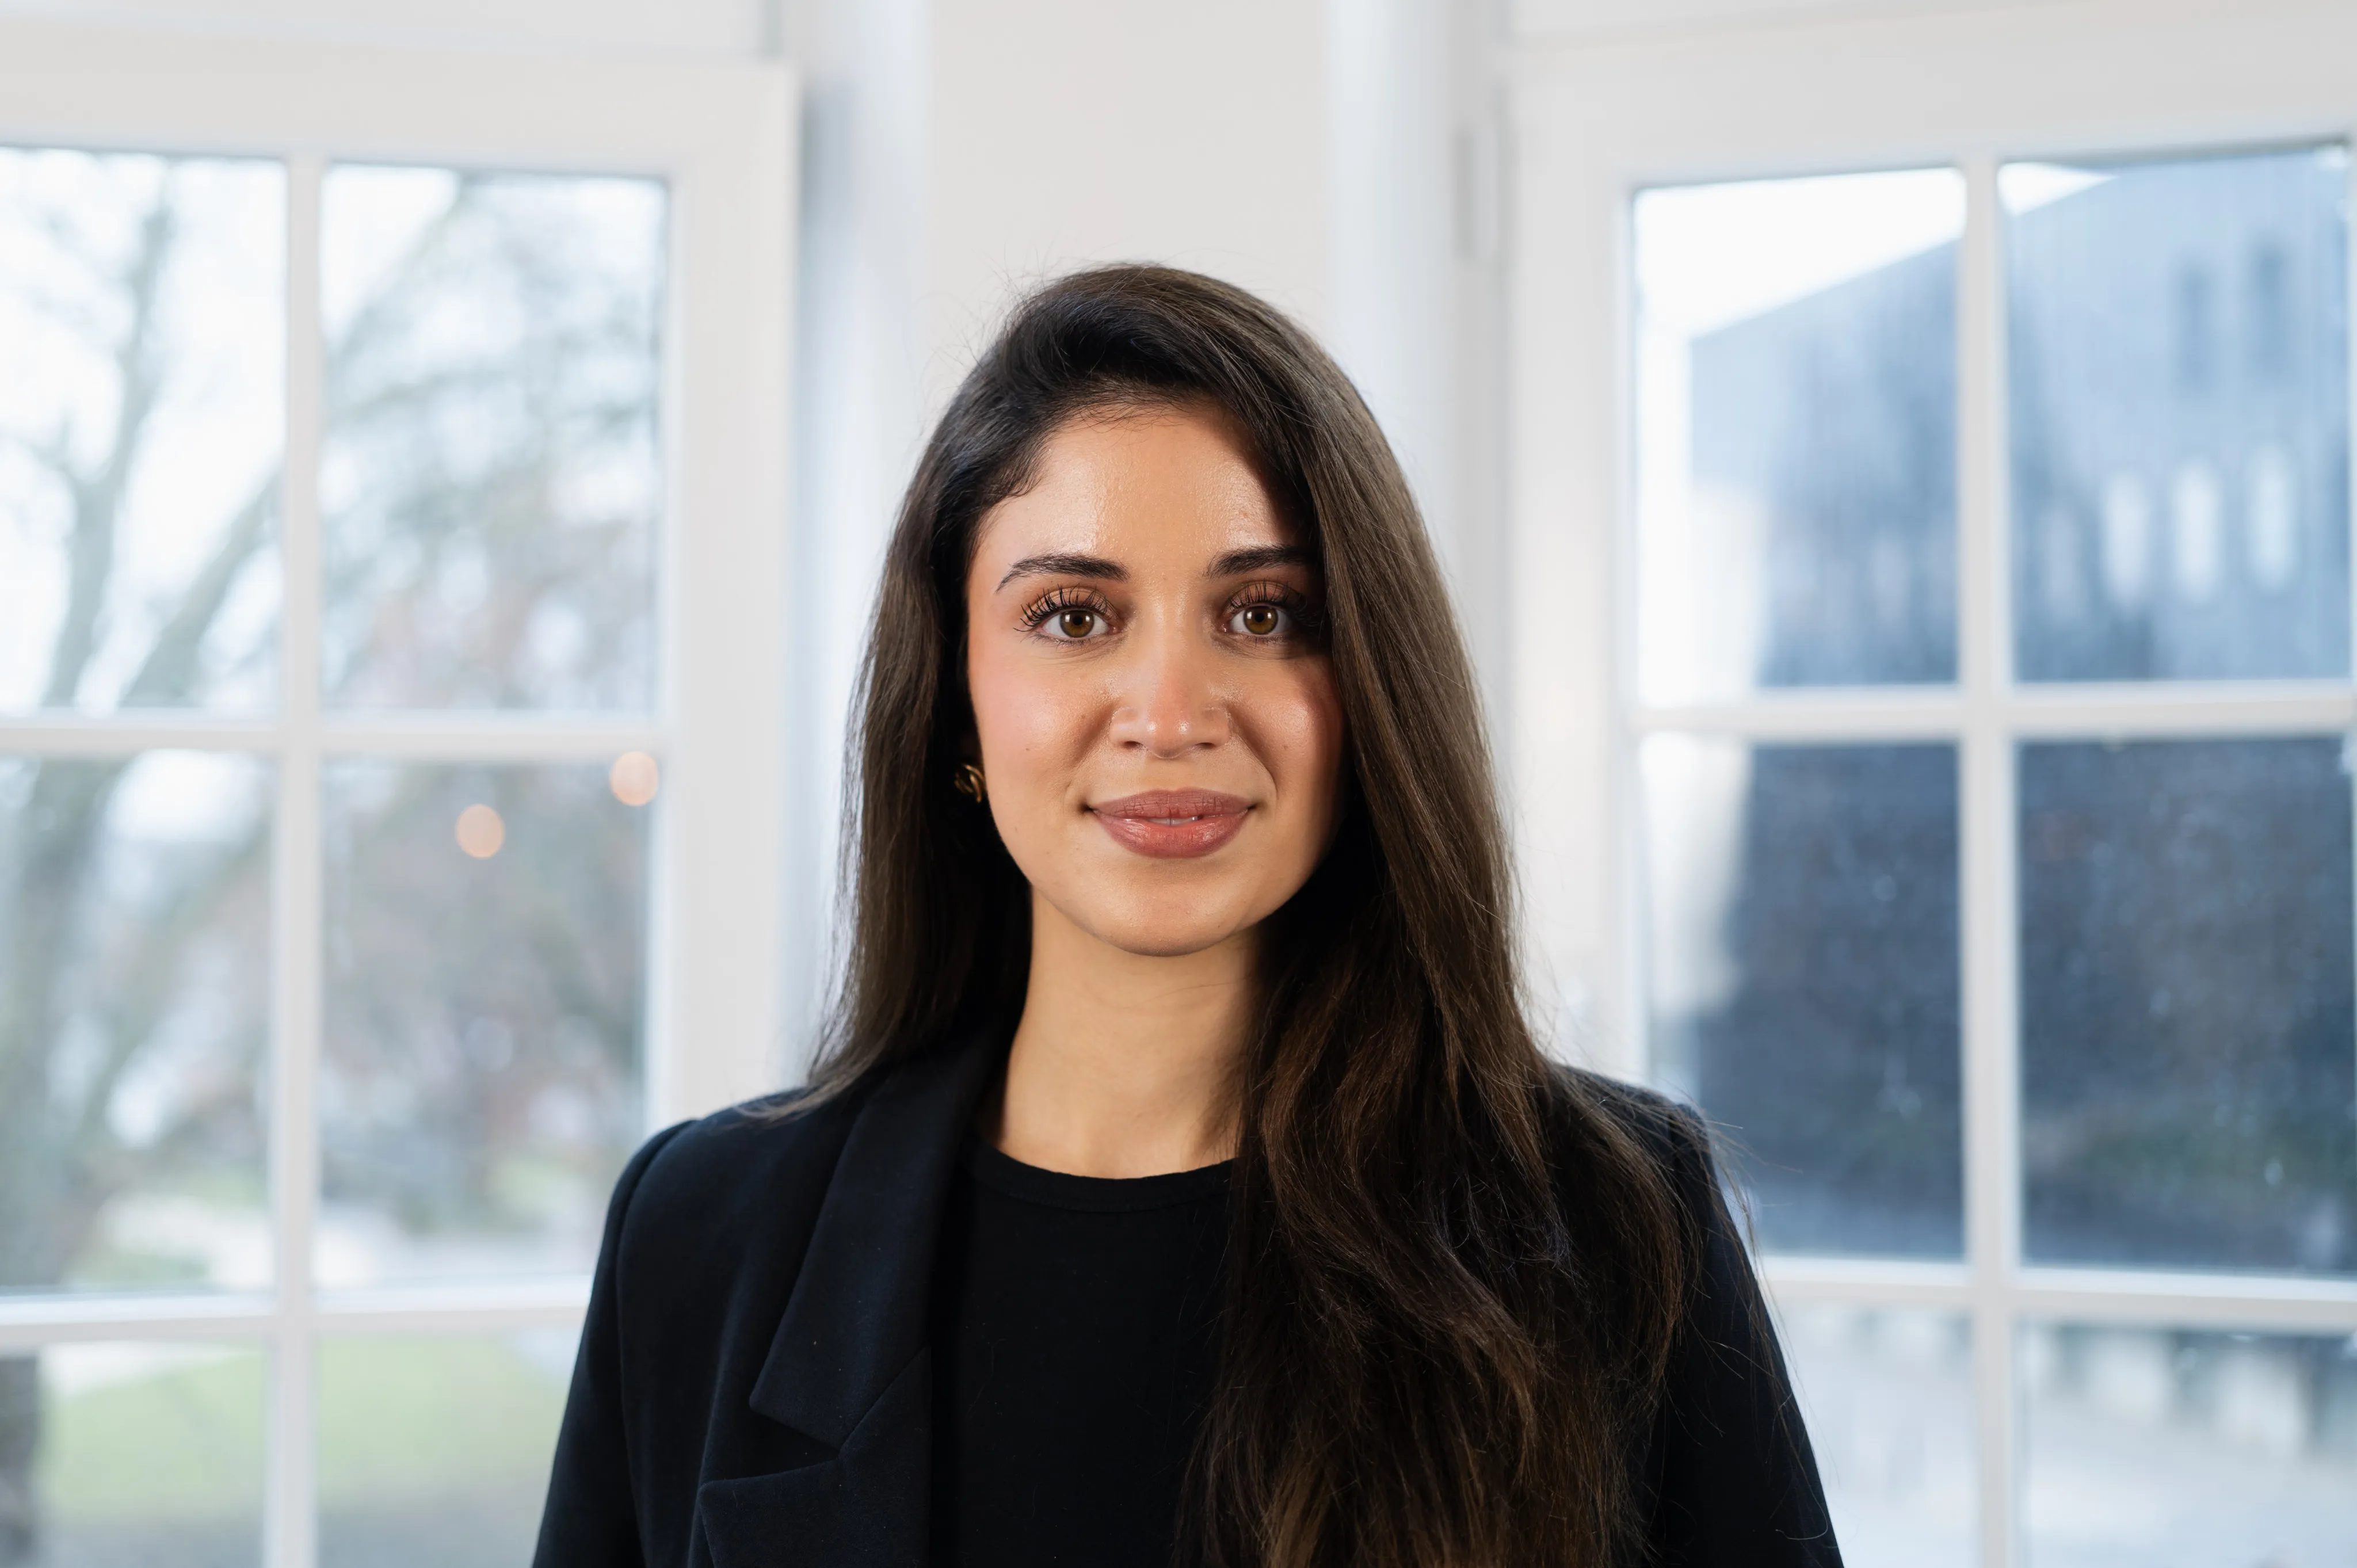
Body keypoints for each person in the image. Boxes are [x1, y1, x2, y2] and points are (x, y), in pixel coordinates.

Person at [533, 265, 1840, 1568]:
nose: (1167, 711)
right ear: (956, 704)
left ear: (1370, 686)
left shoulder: (1619, 1224)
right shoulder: (698, 1236)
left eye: (1263, 614)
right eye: (1072, 616)